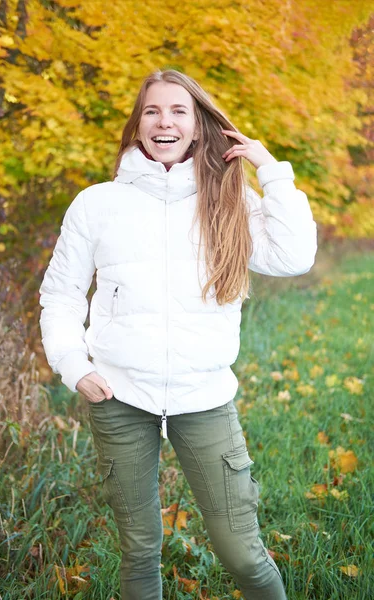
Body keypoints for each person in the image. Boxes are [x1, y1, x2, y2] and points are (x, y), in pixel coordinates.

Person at [39, 69, 317, 600]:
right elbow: (62, 294)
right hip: (118, 396)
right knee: (140, 551)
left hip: (204, 396)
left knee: (242, 552)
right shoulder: (97, 204)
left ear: (196, 126)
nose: (163, 121)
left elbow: (294, 257)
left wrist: (269, 169)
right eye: (152, 111)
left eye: (177, 112)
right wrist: (74, 365)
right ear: (138, 124)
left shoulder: (230, 199)